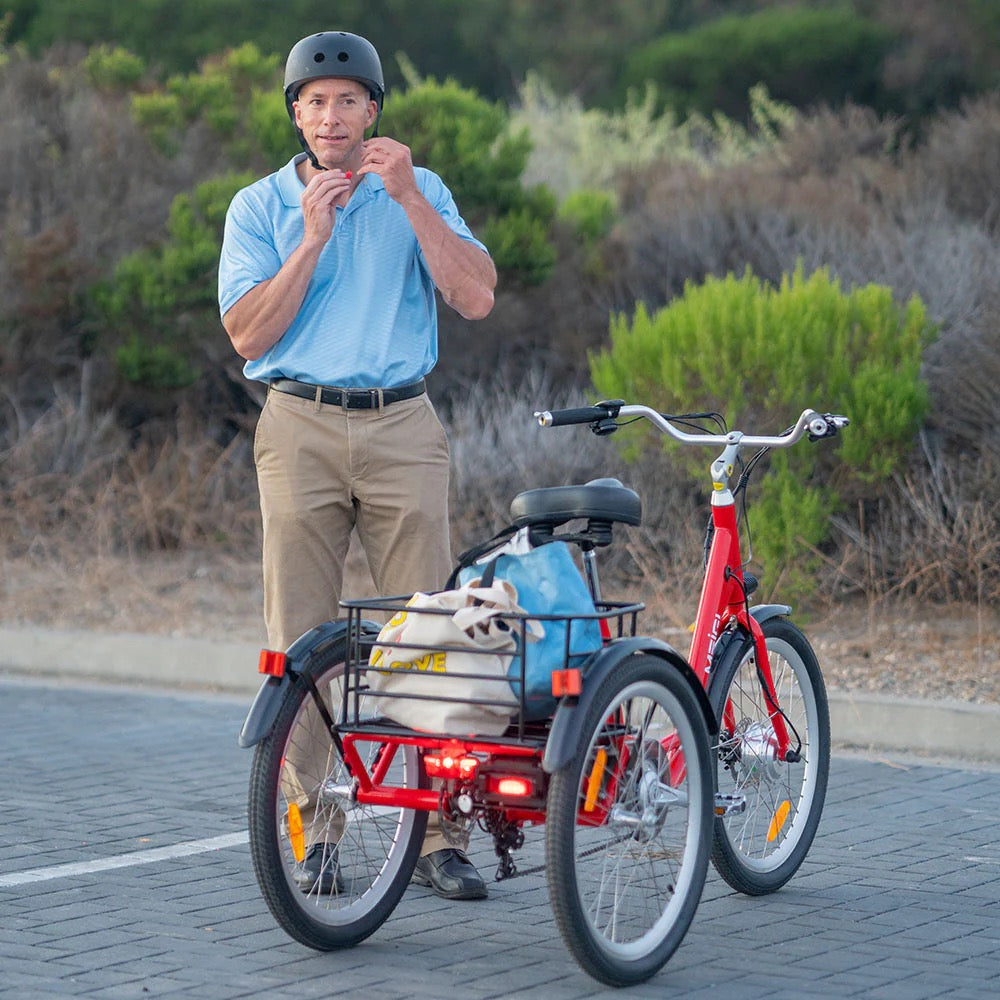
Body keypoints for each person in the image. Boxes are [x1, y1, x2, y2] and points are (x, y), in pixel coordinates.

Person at [218, 30, 497, 900]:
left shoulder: (423, 189)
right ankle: (317, 830)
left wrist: (411, 198)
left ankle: (439, 835)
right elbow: (247, 335)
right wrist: (311, 239)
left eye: (347, 100)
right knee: (301, 639)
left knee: (430, 631)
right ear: (294, 114)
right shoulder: (259, 206)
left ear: (373, 110)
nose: (329, 115)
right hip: (297, 422)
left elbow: (477, 295)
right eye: (313, 101)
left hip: (401, 422)